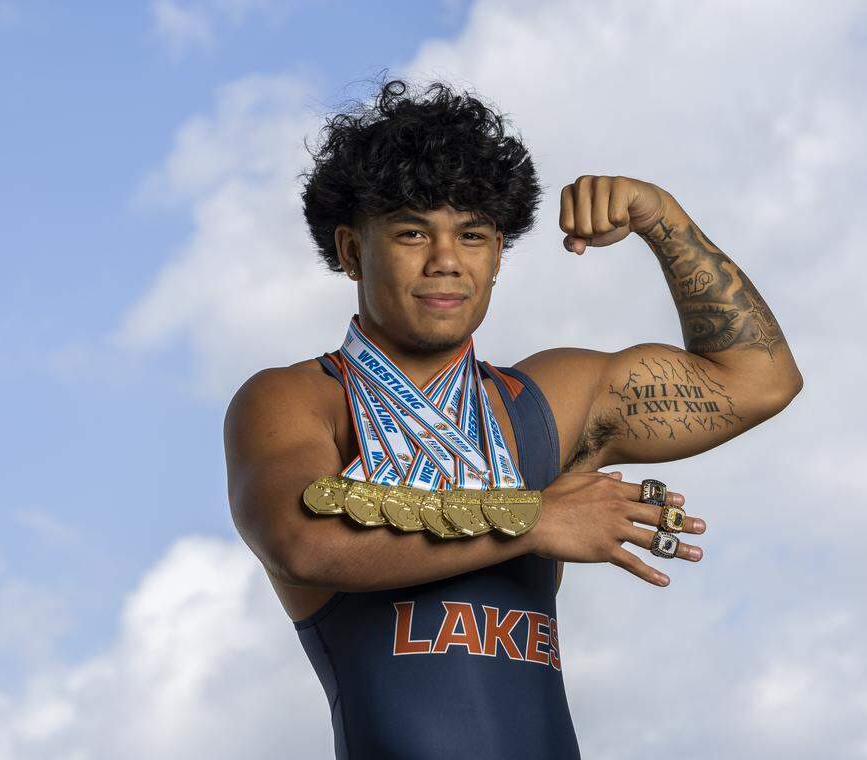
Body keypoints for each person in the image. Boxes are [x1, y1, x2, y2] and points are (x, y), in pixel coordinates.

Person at [223, 76, 803, 759]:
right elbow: (302, 543)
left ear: (498, 253)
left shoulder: (546, 404)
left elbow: (760, 381)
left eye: (471, 235)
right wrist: (535, 517)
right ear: (352, 250)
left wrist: (663, 219)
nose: (446, 261)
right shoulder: (297, 399)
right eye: (413, 233)